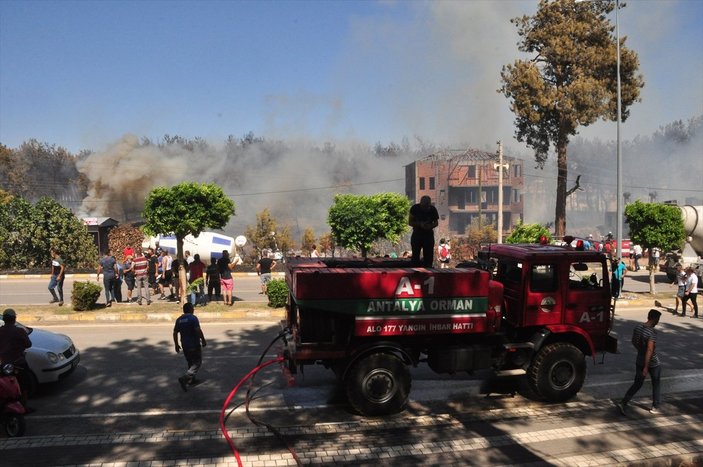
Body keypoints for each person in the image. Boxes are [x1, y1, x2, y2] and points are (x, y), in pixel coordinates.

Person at [616, 309, 662, 415]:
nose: (658, 322)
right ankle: (655, 406)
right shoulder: (652, 332)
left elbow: (633, 341)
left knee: (637, 383)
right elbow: (650, 350)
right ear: (654, 319)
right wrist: (646, 366)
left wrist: (641, 350)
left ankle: (623, 402)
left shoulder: (638, 327)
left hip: (640, 360)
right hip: (652, 363)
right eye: (658, 319)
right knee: (656, 383)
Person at [0, 308, 32, 410]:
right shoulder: (19, 331)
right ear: (14, 319)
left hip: (3, 365)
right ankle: (23, 407)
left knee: (4, 386)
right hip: (19, 364)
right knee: (24, 386)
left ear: (4, 319)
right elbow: (28, 344)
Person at [173, 302, 206, 391]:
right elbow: (197, 330)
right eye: (193, 308)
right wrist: (203, 339)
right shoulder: (193, 318)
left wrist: (176, 344)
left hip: (184, 345)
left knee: (190, 362)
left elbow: (175, 332)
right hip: (194, 344)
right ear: (191, 310)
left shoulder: (179, 320)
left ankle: (192, 380)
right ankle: (185, 378)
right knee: (197, 362)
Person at [408, 195, 439, 267]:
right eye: (424, 205)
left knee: (428, 256)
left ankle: (428, 269)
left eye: (427, 205)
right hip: (417, 234)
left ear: (430, 204)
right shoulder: (415, 208)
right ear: (421, 203)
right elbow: (410, 222)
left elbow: (436, 223)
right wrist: (420, 224)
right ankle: (415, 270)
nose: (426, 207)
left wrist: (430, 226)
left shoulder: (433, 209)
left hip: (428, 235)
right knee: (415, 255)